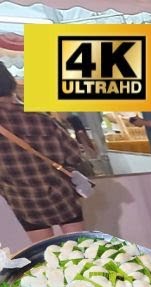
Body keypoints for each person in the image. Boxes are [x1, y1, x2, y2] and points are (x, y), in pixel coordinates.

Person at [0, 61, 88, 242]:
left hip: (24, 201)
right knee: (79, 248)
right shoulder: (40, 117)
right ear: (11, 84)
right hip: (61, 195)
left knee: (45, 252)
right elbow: (73, 154)